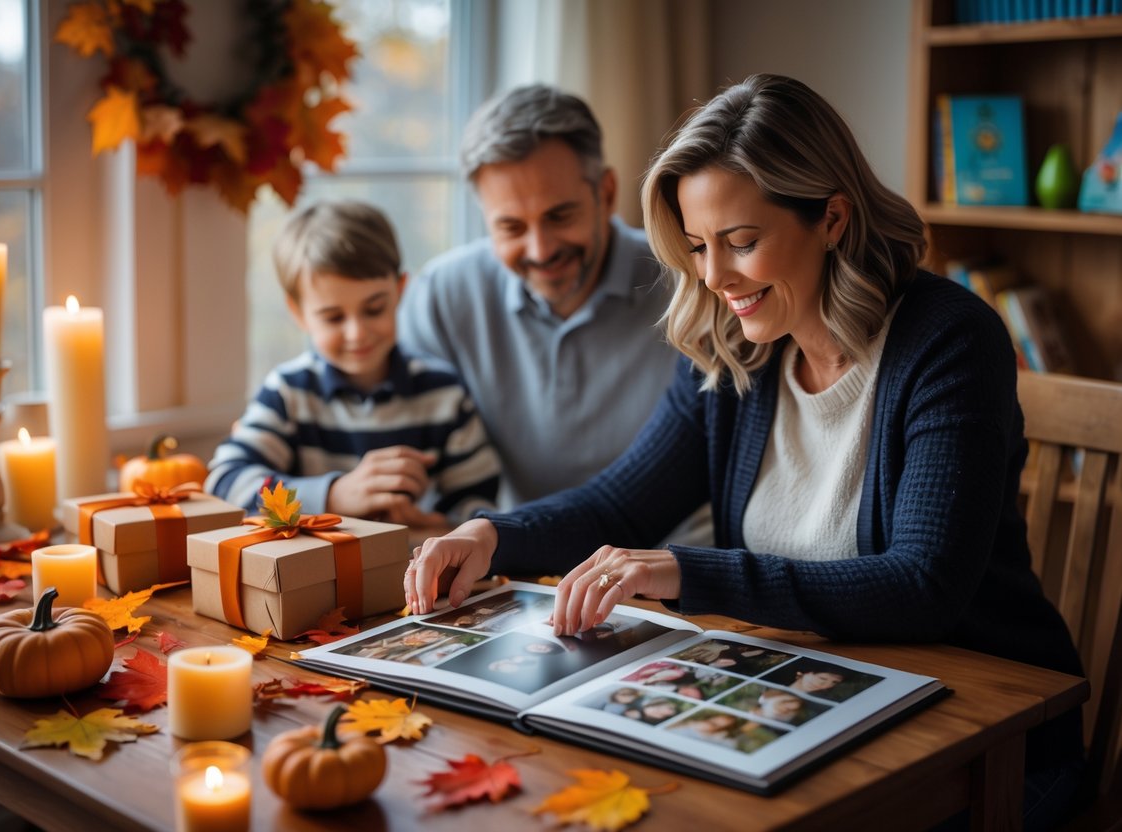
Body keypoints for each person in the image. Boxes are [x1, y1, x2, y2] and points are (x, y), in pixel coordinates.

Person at [405, 74, 1084, 826]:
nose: (713, 277)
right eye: (697, 246)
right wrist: (488, 535)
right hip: (814, 700)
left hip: (989, 740)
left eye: (741, 242)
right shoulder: (735, 347)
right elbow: (622, 503)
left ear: (830, 217)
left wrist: (683, 572)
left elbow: (921, 586)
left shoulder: (947, 339)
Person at [397, 84, 710, 544]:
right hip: (508, 566)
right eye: (511, 227)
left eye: (560, 216)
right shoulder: (441, 297)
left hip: (670, 570)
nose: (540, 250)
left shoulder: (691, 282)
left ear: (606, 193)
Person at [205, 200, 500, 531]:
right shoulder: (288, 393)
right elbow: (224, 480)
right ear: (298, 313)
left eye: (374, 309)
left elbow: (482, 505)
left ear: (400, 291)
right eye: (333, 318)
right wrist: (331, 496)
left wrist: (435, 524)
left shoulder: (443, 393)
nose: (357, 333)